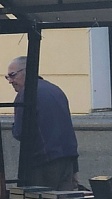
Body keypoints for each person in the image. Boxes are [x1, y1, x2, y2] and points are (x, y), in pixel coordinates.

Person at [7, 56, 79, 191]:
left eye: (12, 75)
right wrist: (75, 167)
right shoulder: (56, 90)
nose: (10, 81)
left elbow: (20, 132)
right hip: (67, 159)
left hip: (44, 161)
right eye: (8, 77)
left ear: (26, 71)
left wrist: (13, 127)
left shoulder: (27, 93)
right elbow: (68, 129)